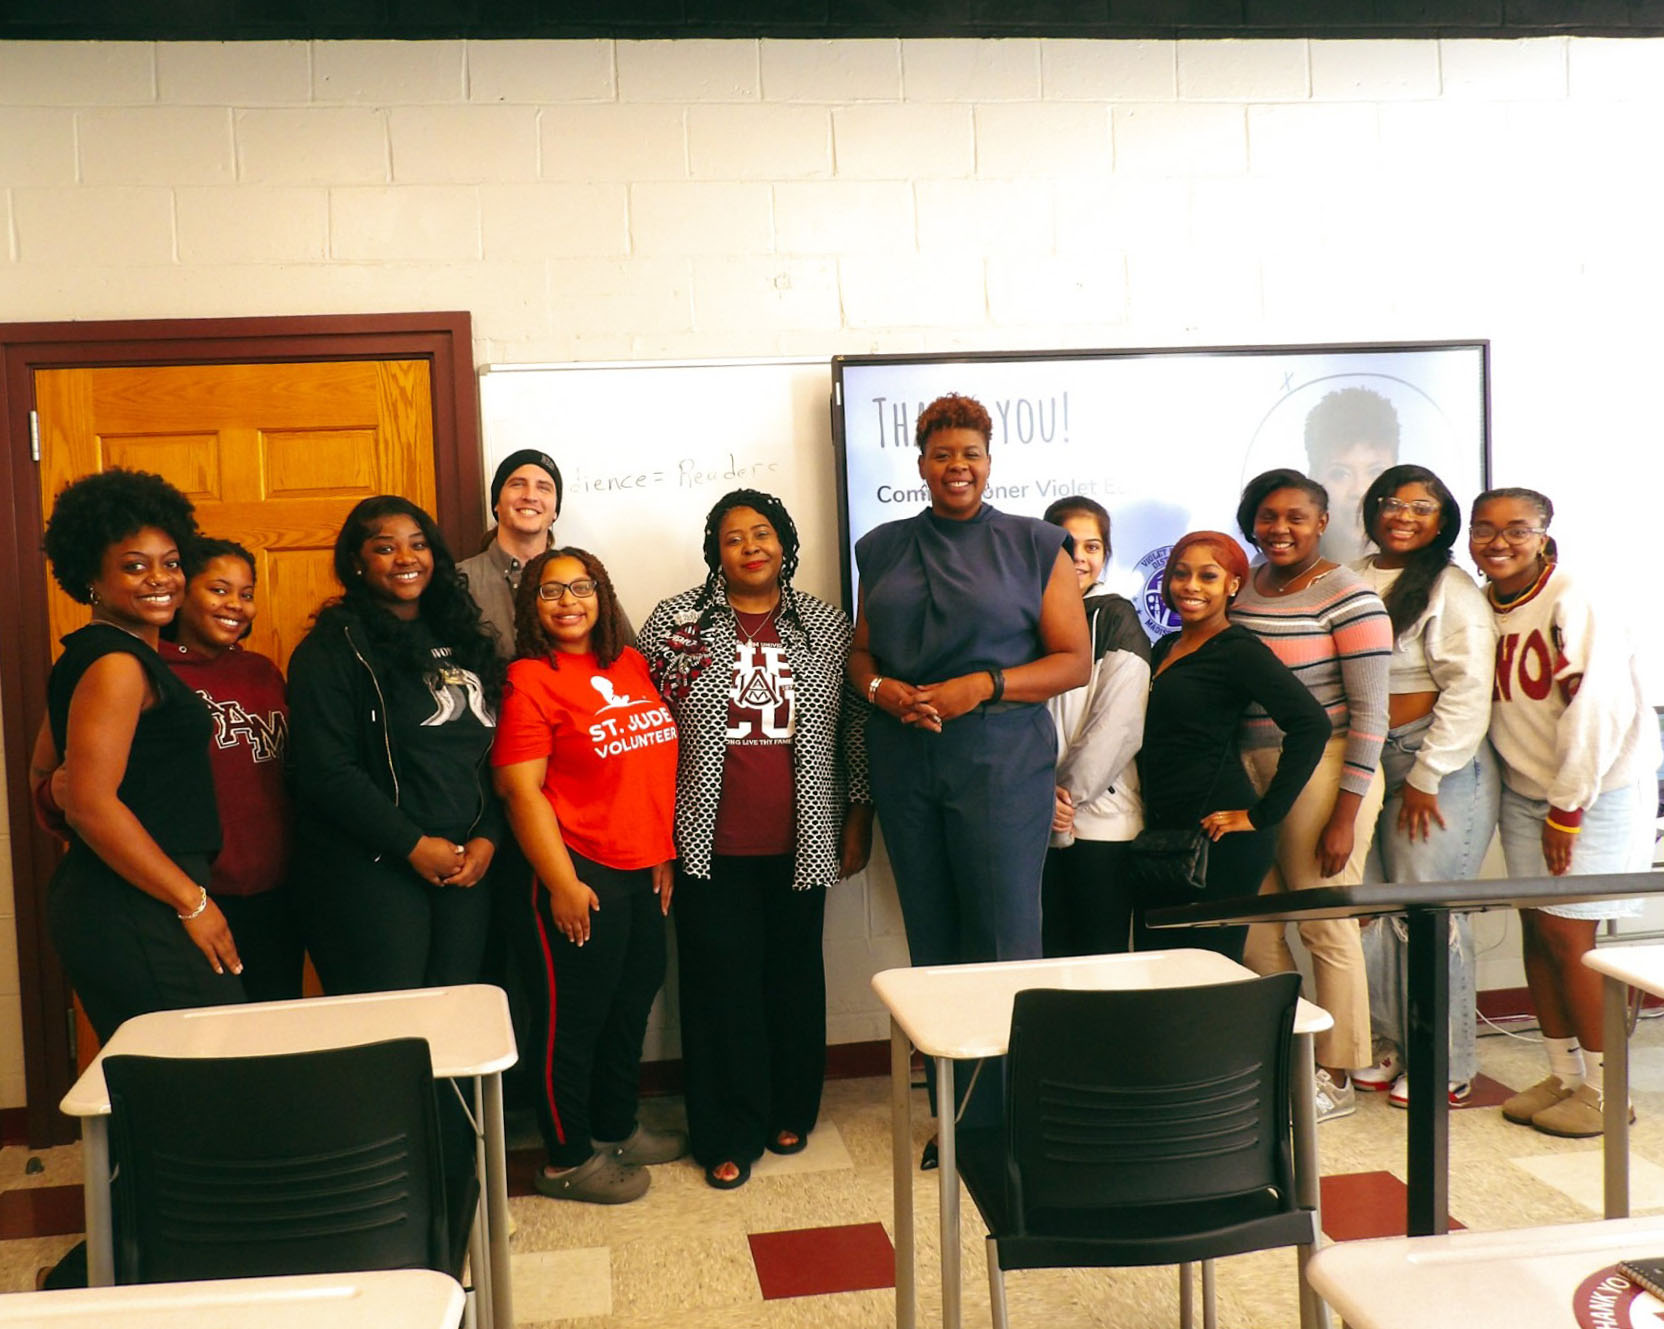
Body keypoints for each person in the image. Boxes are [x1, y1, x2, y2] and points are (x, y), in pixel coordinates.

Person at [847, 392, 1089, 1136]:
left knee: (1002, 936)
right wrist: (884, 691)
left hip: (997, 757)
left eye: (971, 453)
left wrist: (978, 686)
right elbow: (862, 652)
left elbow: (1074, 662)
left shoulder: (1034, 543)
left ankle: (1012, 1115)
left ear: (990, 462)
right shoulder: (881, 545)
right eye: (942, 453)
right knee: (933, 938)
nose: (957, 465)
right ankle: (956, 1116)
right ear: (920, 463)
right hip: (905, 753)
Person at [638, 490, 872, 1189]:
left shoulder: (828, 625)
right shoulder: (676, 624)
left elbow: (853, 729)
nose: (750, 546)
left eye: (762, 533)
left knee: (793, 977)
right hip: (704, 842)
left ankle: (790, 1105)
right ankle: (725, 1128)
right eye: (733, 537)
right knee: (717, 988)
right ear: (716, 550)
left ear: (785, 542)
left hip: (802, 839)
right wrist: (654, 838)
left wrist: (857, 819)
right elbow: (642, 731)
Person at [492, 548, 686, 1203]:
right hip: (576, 871)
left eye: (581, 587)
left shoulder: (628, 663)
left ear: (602, 595)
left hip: (640, 867)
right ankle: (568, 1158)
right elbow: (522, 792)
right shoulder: (528, 679)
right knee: (570, 1020)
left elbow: (645, 766)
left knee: (629, 1007)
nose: (568, 600)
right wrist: (562, 882)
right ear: (532, 605)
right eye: (551, 591)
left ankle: (615, 1126)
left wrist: (660, 849)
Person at [1471, 487, 1659, 1138]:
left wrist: (1568, 808)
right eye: (1484, 528)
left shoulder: (1575, 594)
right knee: (1538, 934)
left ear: (1545, 534)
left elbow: (1597, 708)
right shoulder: (1488, 601)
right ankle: (1563, 1072)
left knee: (1570, 941)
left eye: (1516, 529)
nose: (1498, 542)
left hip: (1592, 790)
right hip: (1531, 789)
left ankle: (1608, 1092)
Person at [36, 469, 244, 1043]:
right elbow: (89, 805)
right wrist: (192, 901)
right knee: (191, 1080)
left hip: (126, 892)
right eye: (135, 565)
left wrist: (67, 792)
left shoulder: (94, 654)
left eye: (171, 563)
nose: (160, 579)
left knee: (169, 1085)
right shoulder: (117, 665)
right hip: (138, 901)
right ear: (91, 579)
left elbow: (45, 781)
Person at [287, 496, 507, 995]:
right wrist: (412, 845)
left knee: (456, 1020)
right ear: (356, 563)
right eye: (385, 548)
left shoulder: (464, 636)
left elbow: (492, 755)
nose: (406, 558)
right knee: (390, 1030)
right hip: (372, 868)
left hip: (463, 865)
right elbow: (327, 772)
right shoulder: (332, 648)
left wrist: (488, 837)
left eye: (418, 545)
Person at [1231, 467, 1392, 1123]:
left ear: (1322, 521)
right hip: (1249, 766)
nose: (1281, 528)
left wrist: (1345, 813)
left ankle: (1338, 1072)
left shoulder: (1349, 595)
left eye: (1296, 516)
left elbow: (1371, 713)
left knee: (1325, 922)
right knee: (1256, 920)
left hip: (1323, 767)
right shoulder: (1244, 586)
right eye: (1268, 516)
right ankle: (1282, 1059)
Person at [1348, 467, 1498, 1109]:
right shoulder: (1352, 575)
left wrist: (1430, 776)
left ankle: (1445, 1062)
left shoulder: (1451, 587)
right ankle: (1388, 1045)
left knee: (1431, 919)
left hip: (1432, 766)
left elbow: (1467, 690)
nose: (1403, 515)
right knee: (1374, 913)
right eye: (1391, 502)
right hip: (1365, 761)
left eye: (1422, 505)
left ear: (1444, 519)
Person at [1132, 532, 1329, 963]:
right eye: (1181, 574)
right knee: (1158, 967)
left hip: (1218, 836)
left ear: (1233, 585)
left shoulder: (1237, 650)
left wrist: (1263, 815)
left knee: (1208, 970)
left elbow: (1311, 724)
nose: (1191, 586)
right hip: (1165, 833)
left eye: (1208, 576)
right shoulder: (1165, 646)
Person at [1038, 496, 1151, 957]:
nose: (1081, 558)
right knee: (1048, 959)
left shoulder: (1116, 616)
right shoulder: (1026, 618)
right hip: (1037, 819)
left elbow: (1118, 725)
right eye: (1068, 546)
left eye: (1093, 546)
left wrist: (1063, 799)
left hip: (1100, 825)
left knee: (1099, 961)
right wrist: (1039, 800)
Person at [459, 448, 563, 658]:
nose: (530, 496)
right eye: (517, 484)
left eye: (543, 488)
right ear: (496, 503)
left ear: (555, 512)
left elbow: (621, 653)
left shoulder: (582, 578)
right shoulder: (459, 581)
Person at [1305, 386, 1400, 564]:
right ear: (1313, 478)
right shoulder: (1272, 572)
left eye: (1375, 472)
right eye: (1340, 474)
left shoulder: (1440, 578)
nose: (1360, 490)